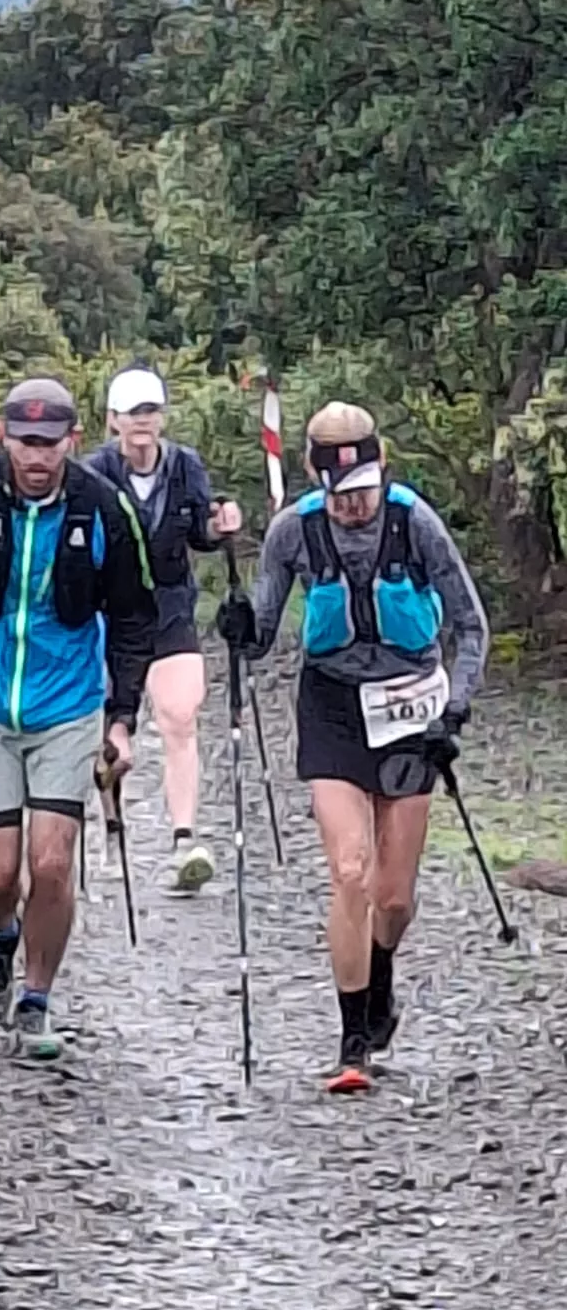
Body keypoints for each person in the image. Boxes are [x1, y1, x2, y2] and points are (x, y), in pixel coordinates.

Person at [217, 401, 489, 1094]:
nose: (353, 507)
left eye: (364, 490)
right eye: (340, 495)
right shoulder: (293, 532)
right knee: (350, 870)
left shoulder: (414, 522)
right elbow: (262, 637)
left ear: (382, 470)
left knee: (393, 899)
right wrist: (239, 625)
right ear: (315, 479)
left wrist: (453, 710)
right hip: (333, 705)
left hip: (412, 710)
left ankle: (381, 979)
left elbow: (470, 625)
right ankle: (352, 1041)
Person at [0, 376, 157, 1059]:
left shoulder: (101, 509)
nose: (37, 456)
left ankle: (37, 997)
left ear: (73, 441)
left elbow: (136, 617)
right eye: (25, 442)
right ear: (6, 438)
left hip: (68, 705)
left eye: (50, 444)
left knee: (52, 862)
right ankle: (2, 937)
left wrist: (122, 715)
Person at [85, 363, 242, 893]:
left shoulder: (185, 466)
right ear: (113, 421)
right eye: (132, 413)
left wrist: (220, 528)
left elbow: (200, 533)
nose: (142, 422)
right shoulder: (93, 473)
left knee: (180, 716)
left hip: (173, 607)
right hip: (112, 613)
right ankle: (111, 827)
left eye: (150, 411)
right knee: (116, 743)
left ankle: (183, 839)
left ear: (162, 417)